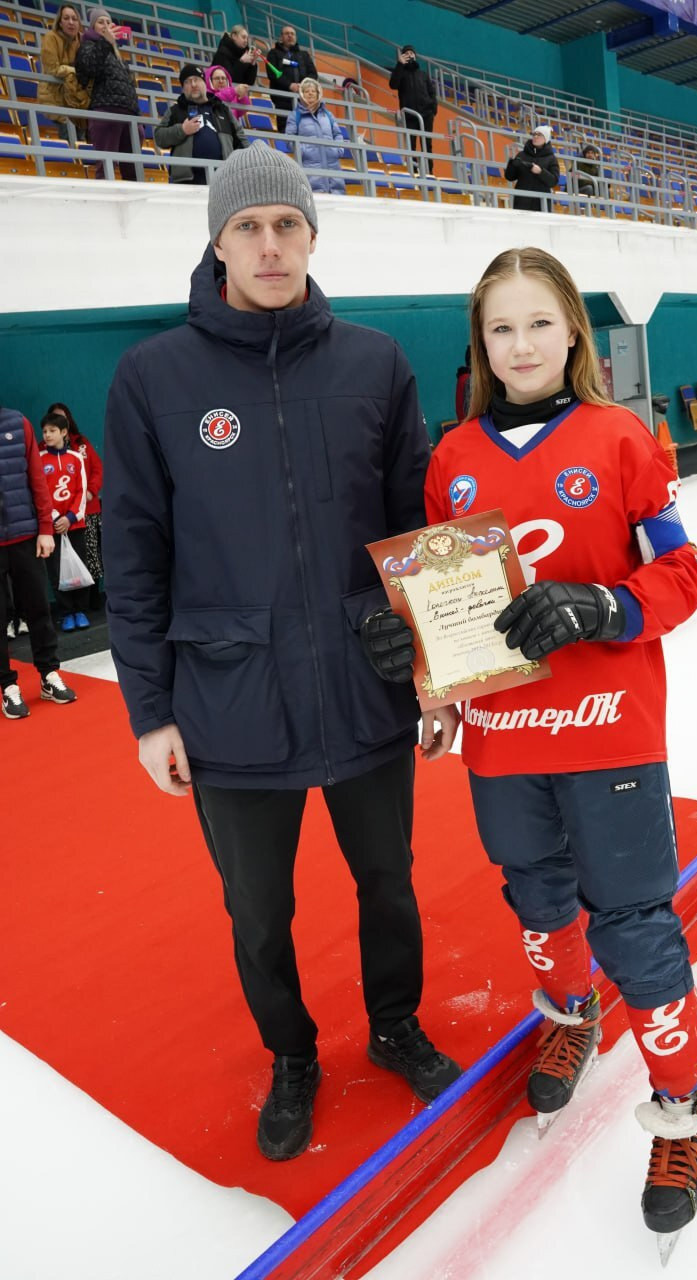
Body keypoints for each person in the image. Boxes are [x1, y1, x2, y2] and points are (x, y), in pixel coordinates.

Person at [101, 143, 462, 1162]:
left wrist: (435, 668)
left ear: (312, 234)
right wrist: (151, 711)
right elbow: (133, 554)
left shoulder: (374, 363)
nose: (270, 245)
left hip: (364, 684)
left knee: (388, 881)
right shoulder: (153, 378)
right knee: (258, 912)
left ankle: (394, 1024)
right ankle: (293, 1056)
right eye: (248, 227)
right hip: (231, 699)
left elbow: (415, 529)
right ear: (217, 241)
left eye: (287, 224)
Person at [389, 247, 697, 1247]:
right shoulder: (452, 457)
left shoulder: (620, 438)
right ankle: (571, 1013)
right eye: (501, 328)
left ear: (573, 328)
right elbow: (444, 606)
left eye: (538, 322)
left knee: (635, 926)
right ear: (480, 345)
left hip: (609, 731)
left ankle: (683, 1111)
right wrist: (429, 680)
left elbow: (684, 574)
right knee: (534, 893)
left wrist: (605, 604)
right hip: (502, 736)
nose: (521, 344)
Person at [1, 404, 77, 719]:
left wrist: (45, 528)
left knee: (38, 610)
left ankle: (48, 675)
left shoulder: (18, 424)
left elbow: (36, 478)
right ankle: (8, 687)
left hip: (25, 536)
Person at [46, 401, 104, 609]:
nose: (60, 420)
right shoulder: (43, 450)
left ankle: (91, 602)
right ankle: (69, 608)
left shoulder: (81, 443)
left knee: (90, 556)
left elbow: (97, 469)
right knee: (62, 562)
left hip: (87, 509)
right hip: (59, 516)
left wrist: (91, 491)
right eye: (55, 417)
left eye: (63, 417)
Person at [74, 6, 140, 180]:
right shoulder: (88, 45)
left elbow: (128, 85)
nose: (105, 25)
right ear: (92, 26)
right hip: (106, 111)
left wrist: (137, 114)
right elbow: (88, 69)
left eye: (109, 22)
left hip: (128, 114)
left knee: (133, 169)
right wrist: (105, 42)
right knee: (106, 167)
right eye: (100, 22)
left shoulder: (117, 52)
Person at [39, 411, 90, 632]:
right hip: (52, 528)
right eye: (44, 431)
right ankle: (66, 612)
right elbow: (39, 493)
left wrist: (70, 517)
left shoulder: (76, 458)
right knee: (57, 571)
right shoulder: (39, 459)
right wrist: (54, 518)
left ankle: (81, 610)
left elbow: (81, 490)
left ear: (64, 432)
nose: (47, 435)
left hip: (75, 524)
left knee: (79, 568)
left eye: (52, 431)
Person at [154, 63, 245, 185]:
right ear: (183, 89)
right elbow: (159, 137)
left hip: (224, 180)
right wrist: (182, 130)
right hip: (187, 182)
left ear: (204, 83)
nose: (193, 84)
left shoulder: (221, 109)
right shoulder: (175, 111)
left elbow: (241, 139)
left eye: (196, 79)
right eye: (187, 82)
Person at [37, 4, 90, 143]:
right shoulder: (51, 37)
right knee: (69, 137)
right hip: (55, 98)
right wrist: (76, 71)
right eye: (66, 18)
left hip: (77, 98)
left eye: (74, 19)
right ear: (60, 22)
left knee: (83, 141)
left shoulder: (83, 40)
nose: (71, 22)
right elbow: (53, 69)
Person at [285, 78, 344, 194]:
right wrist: (304, 151)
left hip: (333, 166)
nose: (310, 93)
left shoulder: (328, 115)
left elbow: (337, 134)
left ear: (318, 94)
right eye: (307, 91)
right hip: (309, 167)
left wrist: (338, 149)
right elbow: (289, 139)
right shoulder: (295, 115)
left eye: (313, 91)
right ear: (301, 94)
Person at [389, 45, 437, 175]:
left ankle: (429, 172)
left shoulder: (423, 74)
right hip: (410, 116)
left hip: (426, 115)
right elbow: (393, 84)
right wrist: (400, 65)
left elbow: (432, 92)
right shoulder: (401, 73)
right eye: (406, 53)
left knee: (427, 144)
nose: (410, 55)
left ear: (415, 56)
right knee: (411, 145)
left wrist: (433, 109)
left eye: (411, 53)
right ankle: (414, 171)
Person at [265, 23, 317, 133]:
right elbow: (272, 74)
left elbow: (313, 74)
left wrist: (303, 85)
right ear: (281, 37)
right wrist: (289, 85)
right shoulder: (273, 53)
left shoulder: (304, 55)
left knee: (305, 131)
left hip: (303, 100)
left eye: (292, 34)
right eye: (287, 33)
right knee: (286, 131)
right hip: (282, 99)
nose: (290, 36)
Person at [504, 125, 560, 212]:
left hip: (541, 203)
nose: (535, 137)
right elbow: (509, 177)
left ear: (546, 139)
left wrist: (541, 172)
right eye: (534, 134)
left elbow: (553, 181)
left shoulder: (551, 158)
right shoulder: (522, 155)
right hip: (522, 201)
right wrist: (511, 162)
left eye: (539, 135)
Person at [211, 25, 260, 92]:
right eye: (243, 37)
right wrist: (241, 62)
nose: (246, 41)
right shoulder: (222, 53)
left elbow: (250, 82)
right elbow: (228, 79)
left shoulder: (244, 53)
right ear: (234, 36)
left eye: (247, 38)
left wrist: (253, 63)